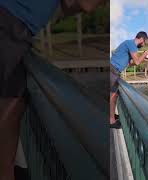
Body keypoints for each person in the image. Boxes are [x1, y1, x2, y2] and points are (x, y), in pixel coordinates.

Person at [0, 0, 103, 179]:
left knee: (14, 103)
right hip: (10, 24)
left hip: (12, 25)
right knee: (10, 105)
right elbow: (86, 4)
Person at [110, 31, 148, 128]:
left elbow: (130, 63)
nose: (143, 45)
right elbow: (137, 62)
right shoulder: (131, 44)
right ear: (141, 39)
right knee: (112, 96)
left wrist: (144, 58)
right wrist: (146, 53)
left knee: (114, 94)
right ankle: (111, 121)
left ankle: (111, 115)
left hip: (114, 71)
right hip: (112, 70)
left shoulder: (129, 44)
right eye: (144, 43)